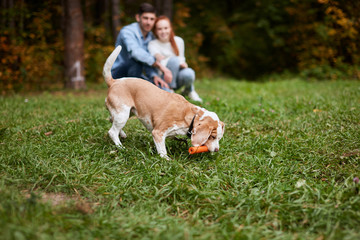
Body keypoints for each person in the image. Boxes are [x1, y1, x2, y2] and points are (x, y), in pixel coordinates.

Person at [111, 3, 172, 91]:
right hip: (119, 75)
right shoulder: (127, 31)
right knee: (136, 61)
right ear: (138, 17)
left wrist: (153, 75)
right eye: (145, 18)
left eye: (152, 19)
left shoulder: (151, 37)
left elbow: (147, 61)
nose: (148, 22)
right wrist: (159, 65)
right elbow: (136, 53)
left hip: (136, 75)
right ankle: (132, 96)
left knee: (163, 90)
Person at [148, 16, 203, 102]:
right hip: (163, 78)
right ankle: (170, 91)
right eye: (160, 29)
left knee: (189, 73)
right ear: (155, 31)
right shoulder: (152, 44)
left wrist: (180, 63)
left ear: (170, 29)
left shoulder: (178, 41)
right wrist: (175, 61)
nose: (163, 31)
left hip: (177, 75)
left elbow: (181, 58)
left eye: (166, 28)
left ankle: (189, 90)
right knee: (174, 60)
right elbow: (159, 63)